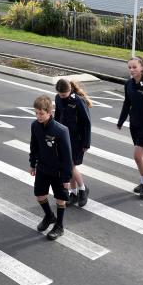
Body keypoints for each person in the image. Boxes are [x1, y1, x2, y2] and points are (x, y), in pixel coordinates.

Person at [116, 57, 143, 199]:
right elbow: (126, 103)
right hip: (134, 125)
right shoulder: (128, 84)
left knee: (137, 156)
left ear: (141, 68)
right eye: (129, 67)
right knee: (142, 156)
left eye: (134, 67)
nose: (131, 70)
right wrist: (121, 120)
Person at [29, 95, 72, 241]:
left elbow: (67, 157)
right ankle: (49, 216)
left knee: (60, 198)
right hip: (42, 167)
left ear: (49, 112)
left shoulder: (61, 130)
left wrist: (67, 177)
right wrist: (32, 163)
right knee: (39, 195)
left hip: (58, 171)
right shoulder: (35, 126)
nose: (38, 116)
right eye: (36, 113)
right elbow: (34, 146)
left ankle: (59, 226)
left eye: (41, 113)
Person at [54, 78, 92, 207]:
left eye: (64, 95)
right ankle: (74, 193)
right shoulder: (58, 98)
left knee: (71, 166)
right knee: (69, 165)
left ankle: (83, 189)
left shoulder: (78, 101)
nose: (62, 97)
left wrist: (86, 143)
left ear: (70, 90)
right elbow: (57, 118)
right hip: (63, 137)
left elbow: (87, 123)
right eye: (60, 94)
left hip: (77, 139)